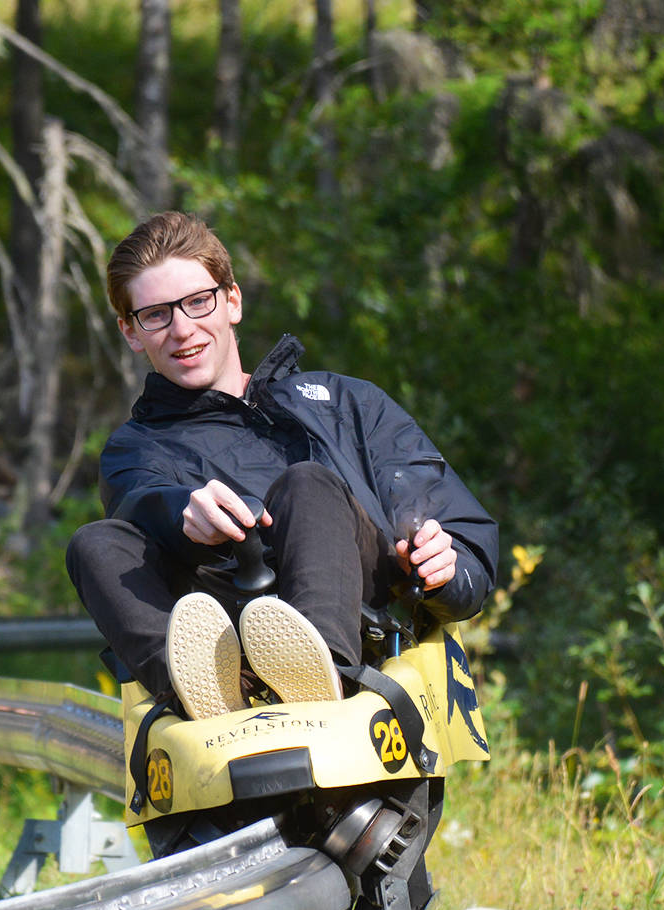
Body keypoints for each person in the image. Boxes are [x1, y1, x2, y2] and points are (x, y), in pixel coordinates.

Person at [66, 211, 498, 719]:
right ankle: (209, 697)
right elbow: (142, 502)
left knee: (308, 485)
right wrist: (187, 515)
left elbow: (462, 542)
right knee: (91, 543)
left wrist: (447, 568)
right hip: (226, 633)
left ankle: (322, 677)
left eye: (197, 302)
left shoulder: (347, 402)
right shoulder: (134, 450)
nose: (182, 329)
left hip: (366, 631)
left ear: (232, 301)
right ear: (131, 332)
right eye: (156, 315)